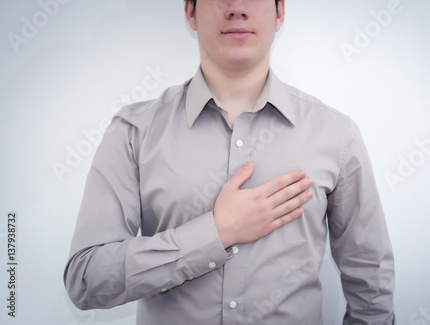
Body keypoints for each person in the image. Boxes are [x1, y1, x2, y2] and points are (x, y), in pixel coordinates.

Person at [64, 0, 396, 324]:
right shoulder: (134, 131)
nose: (237, 7)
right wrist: (218, 232)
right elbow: (87, 279)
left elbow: (370, 277)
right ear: (190, 12)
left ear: (280, 11)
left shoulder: (336, 134)